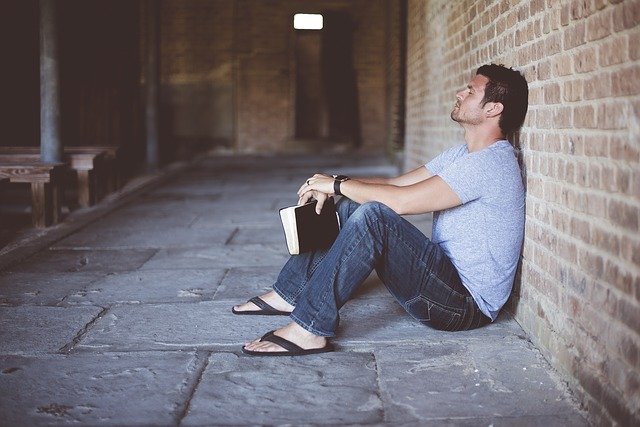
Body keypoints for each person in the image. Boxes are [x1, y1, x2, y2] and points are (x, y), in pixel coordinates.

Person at [233, 64, 529, 356]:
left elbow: (402, 203)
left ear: (493, 109)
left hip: (462, 305)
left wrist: (335, 186)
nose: (459, 93)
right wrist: (335, 183)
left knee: (374, 216)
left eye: (470, 90)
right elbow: (394, 184)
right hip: (443, 277)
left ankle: (309, 328)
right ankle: (290, 293)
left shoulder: (491, 163)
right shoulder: (463, 154)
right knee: (353, 204)